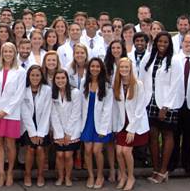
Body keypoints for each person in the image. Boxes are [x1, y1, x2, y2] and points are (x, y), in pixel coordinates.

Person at [0, 42, 26, 187]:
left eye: (10, 51)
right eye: (5, 51)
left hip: (11, 114)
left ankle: (10, 172)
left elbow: (19, 95)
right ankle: (1, 173)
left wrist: (5, 111)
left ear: (14, 53)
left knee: (10, 144)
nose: (8, 54)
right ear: (1, 53)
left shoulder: (20, 71)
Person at [142, 32, 179, 184]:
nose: (162, 44)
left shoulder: (174, 61)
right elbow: (142, 79)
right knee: (152, 136)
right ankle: (156, 168)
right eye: (159, 41)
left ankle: (164, 170)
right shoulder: (149, 57)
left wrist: (166, 106)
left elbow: (176, 84)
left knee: (167, 135)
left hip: (166, 103)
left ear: (169, 44)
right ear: (156, 42)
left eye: (165, 42)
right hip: (149, 102)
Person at [112, 57, 150, 191]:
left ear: (131, 69)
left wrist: (132, 129)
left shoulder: (137, 84)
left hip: (135, 124)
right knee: (118, 151)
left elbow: (140, 108)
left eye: (126, 67)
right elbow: (116, 108)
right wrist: (116, 127)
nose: (124, 69)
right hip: (121, 123)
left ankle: (131, 177)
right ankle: (123, 175)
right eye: (121, 67)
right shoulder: (116, 84)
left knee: (126, 151)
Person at [169, 34, 190, 176]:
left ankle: (187, 164)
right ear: (182, 43)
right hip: (176, 103)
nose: (188, 44)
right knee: (174, 135)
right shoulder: (173, 59)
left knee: (189, 136)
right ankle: (173, 162)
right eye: (186, 42)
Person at [79, 58, 114, 189]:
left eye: (97, 66)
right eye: (92, 66)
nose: (94, 69)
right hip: (87, 122)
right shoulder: (84, 83)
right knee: (87, 150)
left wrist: (103, 129)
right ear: (89, 68)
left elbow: (107, 108)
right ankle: (91, 176)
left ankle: (100, 175)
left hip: (100, 123)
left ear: (101, 69)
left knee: (97, 150)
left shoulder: (106, 85)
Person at [20, 65, 52, 187]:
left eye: (37, 75)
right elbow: (25, 112)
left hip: (42, 124)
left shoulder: (47, 90)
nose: (35, 77)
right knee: (30, 148)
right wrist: (32, 133)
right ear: (28, 76)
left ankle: (40, 175)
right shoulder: (24, 89)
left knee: (39, 148)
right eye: (32, 75)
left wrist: (40, 133)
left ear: (41, 76)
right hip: (28, 125)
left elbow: (47, 112)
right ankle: (27, 174)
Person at [50, 69, 83, 187]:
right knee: (59, 155)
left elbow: (76, 113)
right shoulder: (53, 93)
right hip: (58, 129)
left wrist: (68, 133)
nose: (60, 80)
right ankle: (60, 177)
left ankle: (68, 177)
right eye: (57, 78)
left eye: (63, 78)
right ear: (54, 80)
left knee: (68, 155)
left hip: (72, 130)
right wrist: (59, 133)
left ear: (67, 79)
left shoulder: (75, 92)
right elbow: (53, 114)